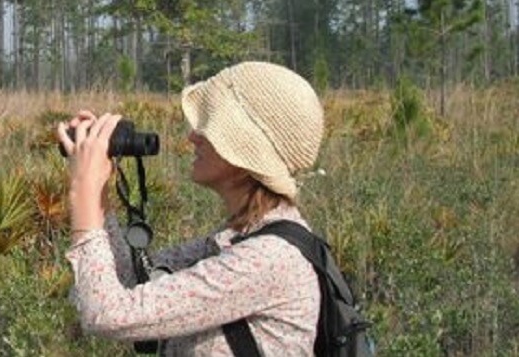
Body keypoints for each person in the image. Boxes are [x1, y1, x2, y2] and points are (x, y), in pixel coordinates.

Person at [56, 62, 326, 355]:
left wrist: (83, 192)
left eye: (211, 129)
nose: (193, 137)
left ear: (243, 156)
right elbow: (129, 283)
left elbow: (106, 314)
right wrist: (99, 197)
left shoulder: (269, 258)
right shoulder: (236, 238)